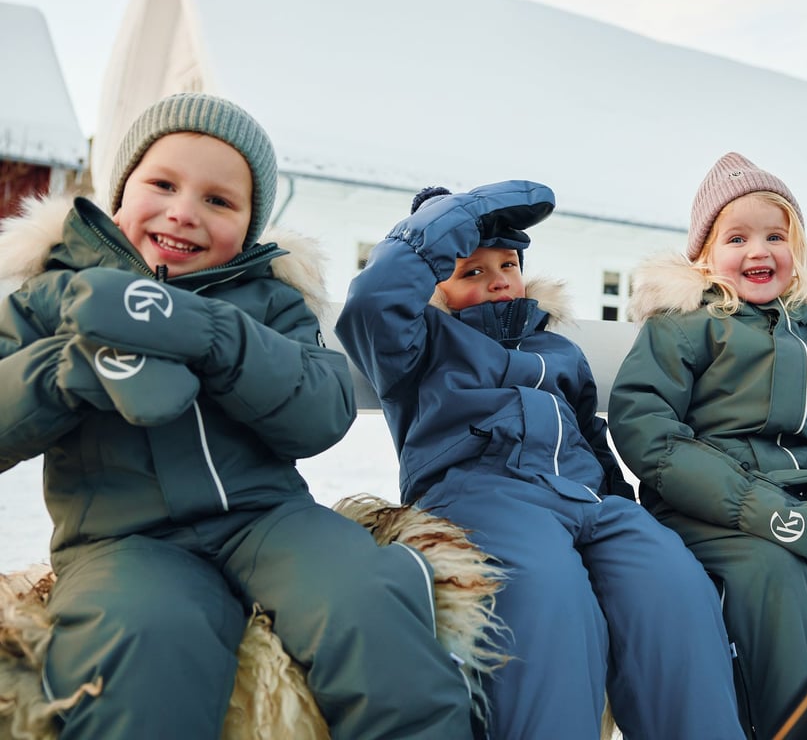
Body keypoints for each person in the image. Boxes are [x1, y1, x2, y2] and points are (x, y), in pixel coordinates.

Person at [0, 92, 475, 739]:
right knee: (143, 641)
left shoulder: (268, 299)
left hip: (268, 520)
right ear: (118, 194)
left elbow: (321, 411)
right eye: (162, 184)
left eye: (218, 200)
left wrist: (218, 337)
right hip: (121, 541)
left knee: (365, 599)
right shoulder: (54, 294)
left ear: (250, 224)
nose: (183, 212)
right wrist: (65, 370)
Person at [334, 181, 744, 740]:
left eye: (507, 263)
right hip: (485, 494)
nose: (498, 277)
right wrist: (458, 215)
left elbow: (588, 434)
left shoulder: (556, 348)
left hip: (587, 500)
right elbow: (371, 303)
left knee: (673, 585)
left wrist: (622, 505)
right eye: (471, 271)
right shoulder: (419, 343)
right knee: (548, 599)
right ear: (437, 289)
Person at [607, 152, 807, 740]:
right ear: (705, 253)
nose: (759, 251)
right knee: (779, 583)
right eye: (737, 237)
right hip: (709, 511)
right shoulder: (682, 327)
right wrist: (764, 511)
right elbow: (647, 434)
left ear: (796, 249)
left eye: (775, 236)